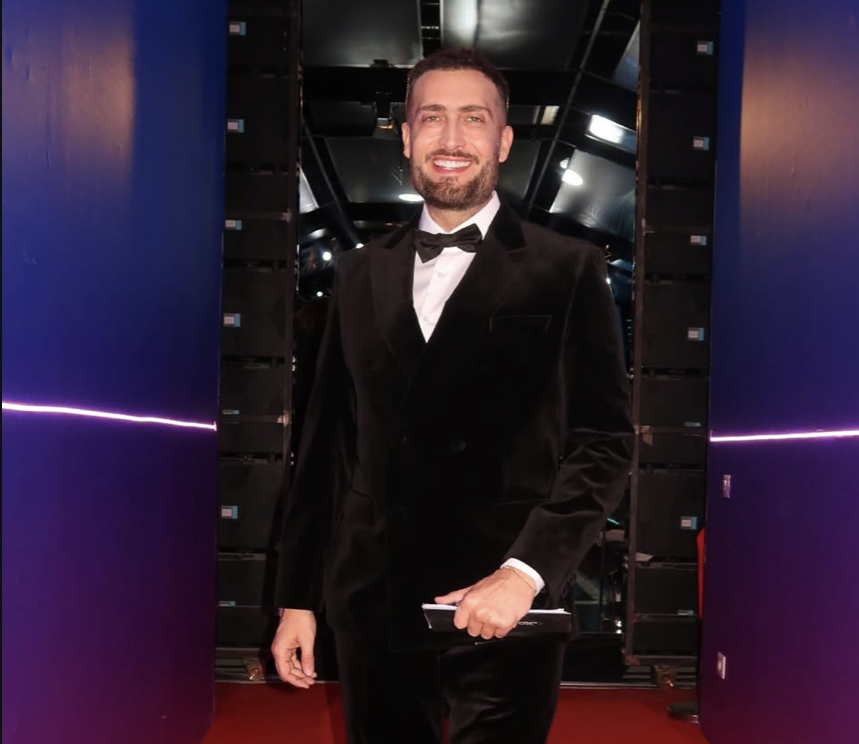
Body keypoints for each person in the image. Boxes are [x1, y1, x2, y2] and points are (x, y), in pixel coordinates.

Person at [271, 47, 633, 744]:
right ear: (407, 137)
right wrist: (298, 599)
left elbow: (604, 443)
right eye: (432, 117)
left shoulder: (568, 269)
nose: (452, 138)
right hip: (374, 603)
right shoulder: (357, 274)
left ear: (504, 140)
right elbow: (324, 451)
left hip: (504, 600)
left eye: (474, 118)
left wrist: (526, 573)